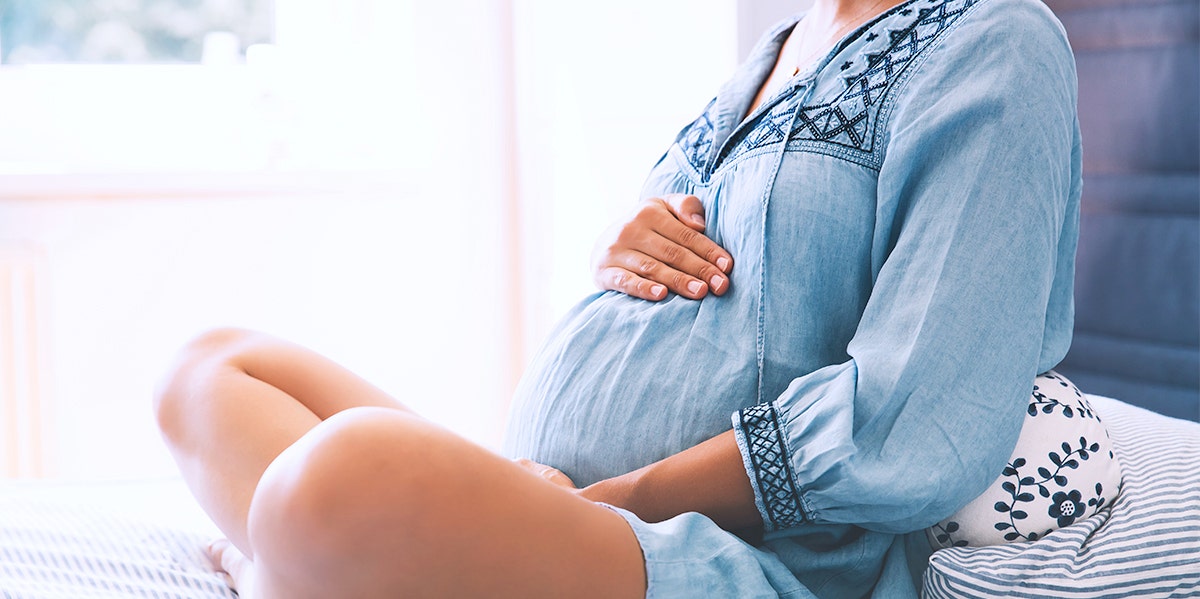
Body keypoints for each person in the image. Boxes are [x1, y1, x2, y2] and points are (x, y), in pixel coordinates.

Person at [154, 0, 1093, 595]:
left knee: (332, 478)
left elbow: (915, 419)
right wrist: (624, 237)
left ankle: (298, 565)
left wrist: (610, 502)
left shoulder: (995, 43)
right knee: (209, 371)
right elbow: (719, 293)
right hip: (555, 506)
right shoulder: (776, 46)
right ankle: (326, 566)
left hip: (738, 559)